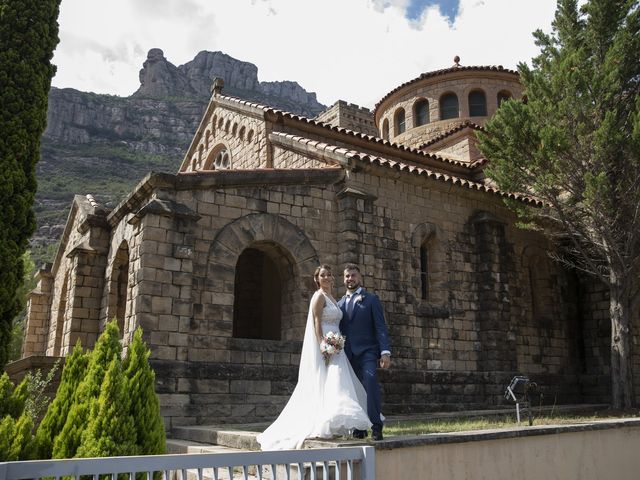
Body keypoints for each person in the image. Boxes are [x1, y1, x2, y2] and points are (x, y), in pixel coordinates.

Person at [257, 264, 371, 450]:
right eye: (322, 275)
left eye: (328, 274)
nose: (326, 277)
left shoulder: (333, 297)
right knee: (334, 380)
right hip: (326, 343)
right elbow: (317, 324)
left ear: (333, 278)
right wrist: (323, 346)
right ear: (317, 279)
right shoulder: (318, 297)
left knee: (335, 382)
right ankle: (327, 420)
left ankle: (331, 421)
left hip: (337, 345)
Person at [338, 263, 391, 441]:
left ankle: (376, 425)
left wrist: (385, 352)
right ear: (343, 279)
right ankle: (359, 428)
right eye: (347, 276)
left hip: (368, 352)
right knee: (351, 390)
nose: (350, 279)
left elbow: (380, 327)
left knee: (370, 381)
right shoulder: (339, 304)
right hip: (347, 354)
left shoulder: (371, 299)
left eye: (353, 275)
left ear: (359, 277)